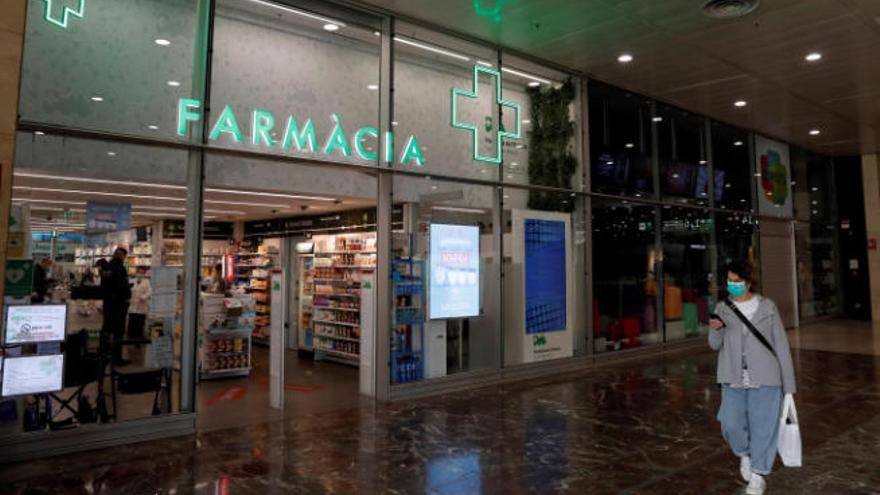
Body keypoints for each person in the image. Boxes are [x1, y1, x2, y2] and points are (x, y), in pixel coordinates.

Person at [709, 260, 797, 495]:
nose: (732, 285)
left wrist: (789, 385)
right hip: (732, 377)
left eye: (737, 281)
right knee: (731, 424)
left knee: (764, 428)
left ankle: (758, 474)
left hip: (767, 377)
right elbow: (713, 344)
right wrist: (715, 328)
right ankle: (744, 454)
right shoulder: (722, 307)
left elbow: (781, 346)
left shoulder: (768, 308)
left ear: (748, 282)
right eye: (729, 280)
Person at [101, 248, 132, 365]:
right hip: (118, 304)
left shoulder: (106, 267)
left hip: (108, 303)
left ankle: (103, 355)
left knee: (107, 329)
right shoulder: (119, 268)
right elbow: (121, 285)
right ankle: (116, 358)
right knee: (118, 332)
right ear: (122, 256)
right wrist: (127, 294)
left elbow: (105, 285)